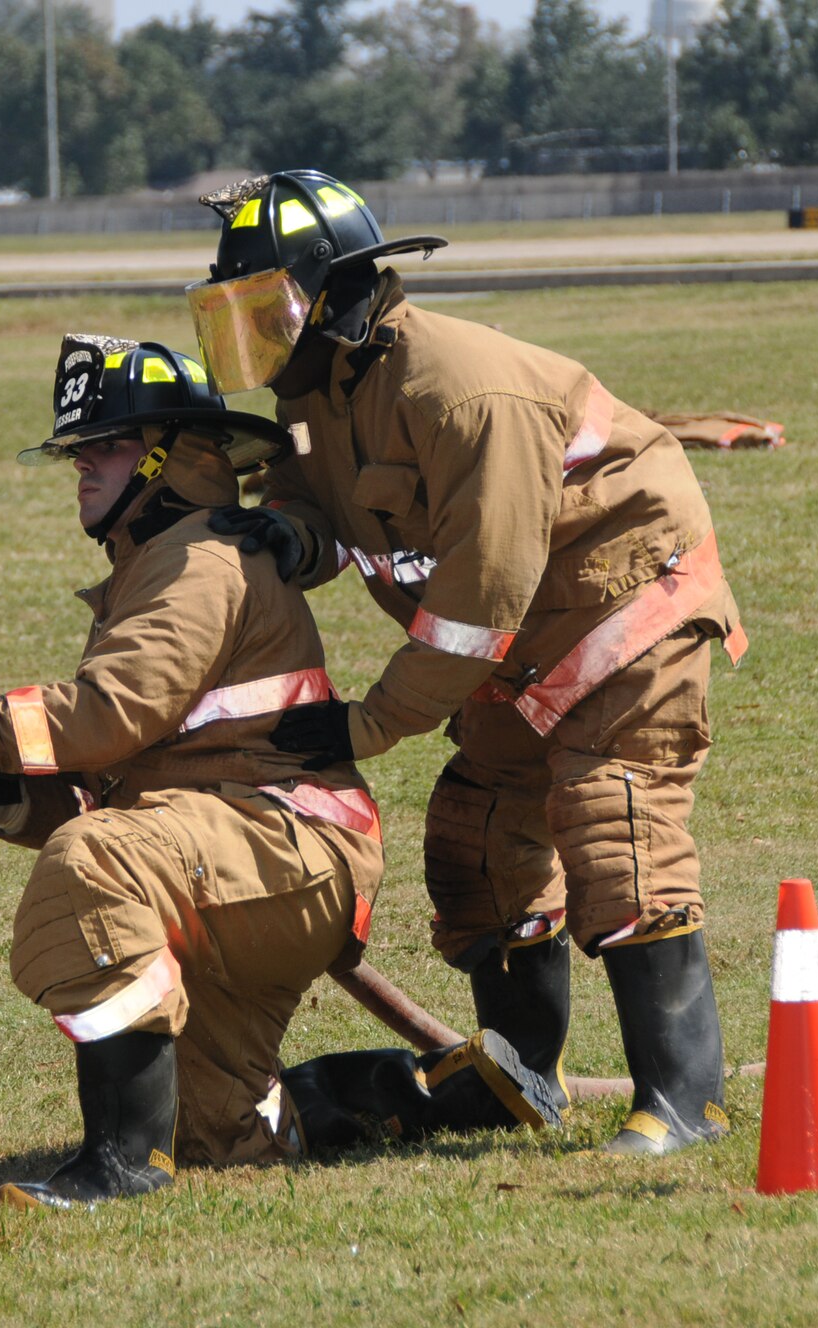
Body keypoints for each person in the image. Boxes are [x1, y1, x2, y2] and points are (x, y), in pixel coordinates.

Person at [0, 334, 561, 1210]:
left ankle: (120, 1163)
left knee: (96, 866)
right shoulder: (154, 565)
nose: (82, 468)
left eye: (104, 448)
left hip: (282, 843)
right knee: (220, 1136)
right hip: (243, 861)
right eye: (76, 452)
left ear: (168, 457)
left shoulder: (197, 560)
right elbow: (126, 780)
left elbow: (105, 714)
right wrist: (1, 798)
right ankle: (429, 1095)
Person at [185, 171, 749, 1156]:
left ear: (333, 293)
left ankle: (681, 1100)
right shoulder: (318, 394)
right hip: (524, 642)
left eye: (267, 310)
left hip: (621, 604)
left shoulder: (457, 390)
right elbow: (323, 501)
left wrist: (366, 721)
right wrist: (283, 536)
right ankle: (522, 1074)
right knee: (478, 835)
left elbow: (479, 594)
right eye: (234, 316)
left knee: (612, 813)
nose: (255, 342)